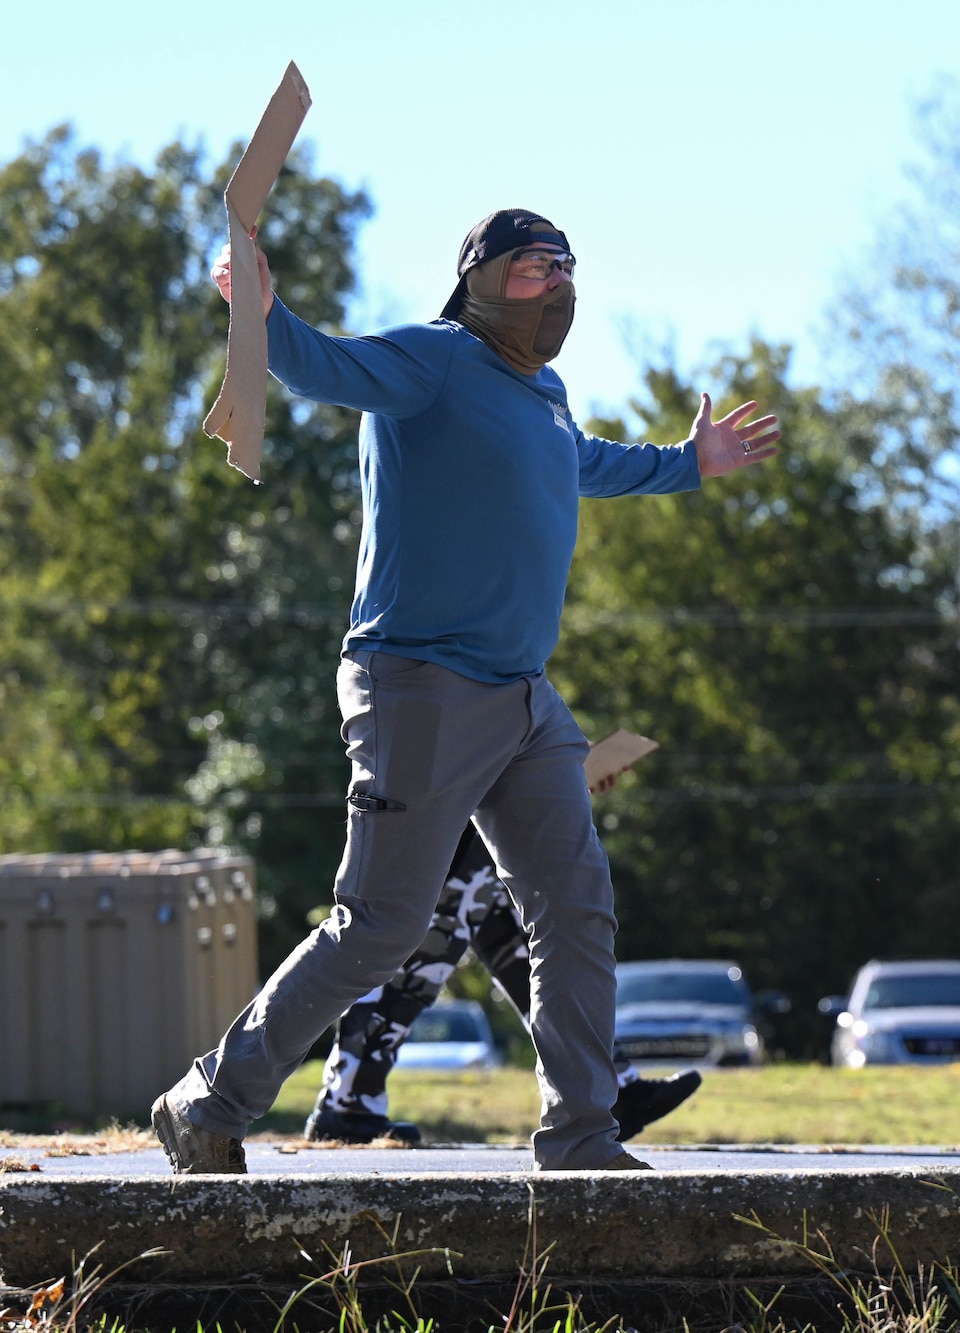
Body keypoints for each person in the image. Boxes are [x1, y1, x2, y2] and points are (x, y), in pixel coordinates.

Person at [152, 209, 777, 1173]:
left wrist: (691, 465)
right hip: (420, 685)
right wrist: (264, 317)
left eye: (566, 269)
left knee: (575, 906)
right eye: (534, 267)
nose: (557, 285)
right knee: (383, 925)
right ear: (481, 279)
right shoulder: (434, 360)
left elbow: (588, 464)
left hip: (525, 699)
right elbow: (323, 366)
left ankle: (579, 1133)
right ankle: (210, 1097)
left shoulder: (546, 394)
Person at [306, 759, 701, 1148]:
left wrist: (568, 770)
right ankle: (348, 1102)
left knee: (525, 952)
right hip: (452, 796)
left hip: (476, 794)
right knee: (425, 951)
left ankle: (613, 1087)